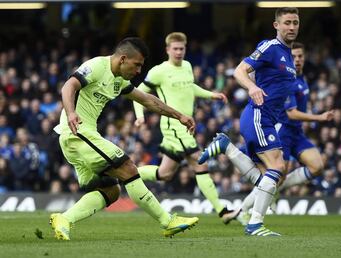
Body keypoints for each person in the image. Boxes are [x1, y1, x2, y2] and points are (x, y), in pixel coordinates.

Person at [50, 37, 199, 240]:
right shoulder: (96, 66)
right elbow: (69, 86)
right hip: (77, 132)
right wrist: (71, 113)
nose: (138, 71)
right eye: (136, 64)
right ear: (122, 59)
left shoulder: (119, 80)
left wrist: (179, 115)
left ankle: (64, 219)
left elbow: (148, 100)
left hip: (79, 138)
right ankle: (168, 221)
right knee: (128, 168)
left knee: (111, 190)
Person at [199, 42, 334, 225]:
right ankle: (246, 212)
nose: (298, 60)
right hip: (283, 130)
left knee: (316, 166)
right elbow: (291, 113)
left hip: (297, 132)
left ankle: (263, 199)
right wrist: (319, 118)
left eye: (301, 56)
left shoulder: (300, 79)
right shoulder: (287, 79)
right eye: (294, 57)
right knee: (273, 175)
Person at [132, 32, 233, 222]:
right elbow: (138, 94)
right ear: (167, 49)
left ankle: (128, 173)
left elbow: (190, 87)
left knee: (165, 173)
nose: (179, 52)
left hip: (186, 125)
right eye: (175, 49)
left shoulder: (187, 66)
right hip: (173, 124)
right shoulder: (159, 71)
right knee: (198, 160)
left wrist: (212, 95)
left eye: (182, 48)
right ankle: (222, 210)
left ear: (185, 48)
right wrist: (140, 117)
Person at [222, 8, 300, 236]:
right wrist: (253, 86)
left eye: (295, 22)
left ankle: (226, 147)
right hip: (258, 115)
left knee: (271, 170)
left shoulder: (288, 55)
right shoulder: (270, 47)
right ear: (276, 25)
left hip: (268, 119)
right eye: (287, 22)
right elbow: (239, 71)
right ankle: (255, 223)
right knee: (276, 167)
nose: (292, 27)